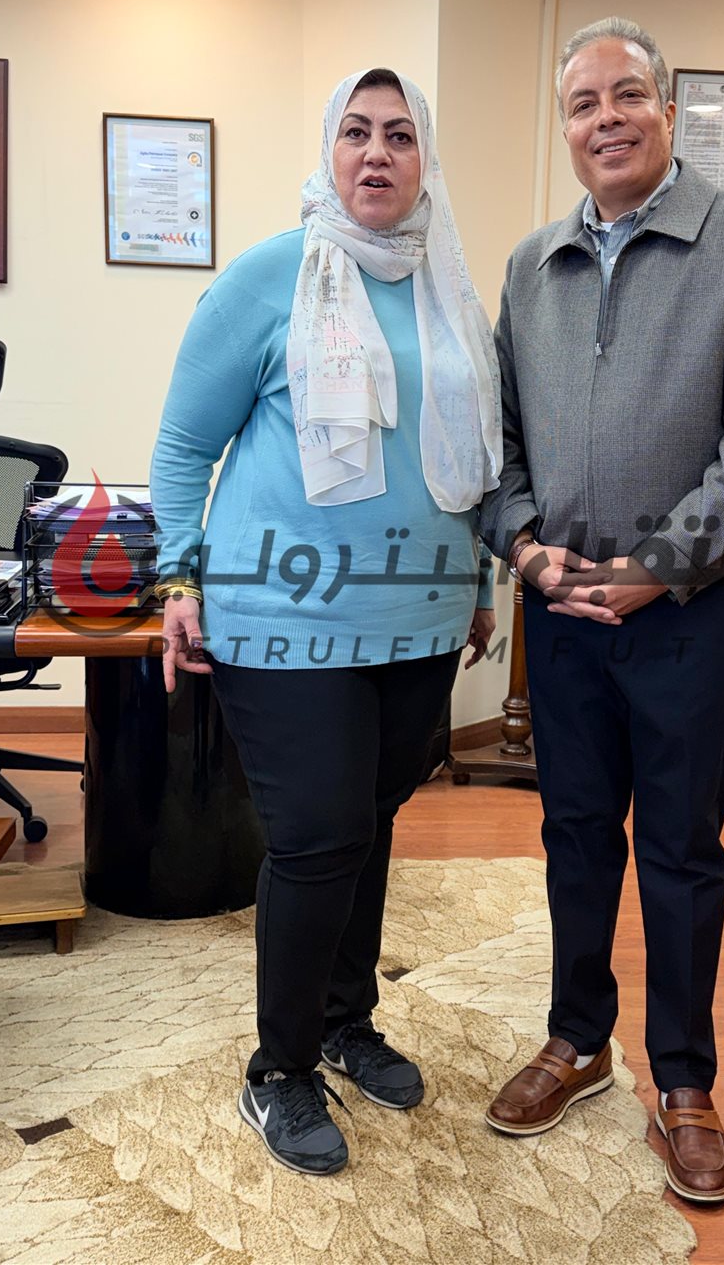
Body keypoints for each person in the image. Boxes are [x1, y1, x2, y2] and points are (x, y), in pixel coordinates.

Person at [479, 17, 724, 1203]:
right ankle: (577, 1039)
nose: (606, 119)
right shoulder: (532, 266)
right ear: (565, 128)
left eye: (627, 95)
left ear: (669, 109)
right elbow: (496, 439)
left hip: (689, 613)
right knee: (575, 833)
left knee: (679, 849)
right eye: (582, 103)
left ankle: (684, 1081)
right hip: (563, 614)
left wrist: (659, 565)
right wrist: (527, 547)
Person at [150, 68, 501, 1176]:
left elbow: (472, 460)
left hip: (422, 614)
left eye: (400, 134)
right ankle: (280, 1070)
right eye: (356, 131)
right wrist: (177, 580)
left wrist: (480, 583)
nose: (377, 152)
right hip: (281, 616)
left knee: (371, 819)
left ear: (425, 157)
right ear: (329, 151)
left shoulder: (448, 289)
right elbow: (183, 446)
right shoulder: (268, 278)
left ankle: (348, 1022)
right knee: (316, 837)